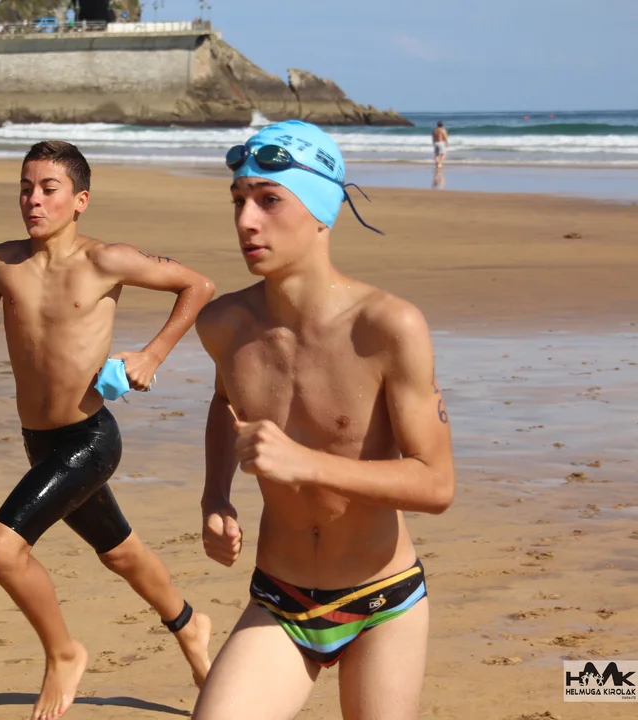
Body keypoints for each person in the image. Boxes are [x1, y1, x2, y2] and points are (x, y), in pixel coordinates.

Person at [191, 121, 455, 720]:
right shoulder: (223, 325)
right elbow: (224, 402)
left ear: (320, 211)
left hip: (381, 599)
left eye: (269, 200)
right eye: (238, 201)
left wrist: (305, 463)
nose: (245, 221)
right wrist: (215, 496)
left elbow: (436, 484)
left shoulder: (388, 327)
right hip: (279, 596)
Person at [0, 140, 215, 720]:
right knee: (121, 554)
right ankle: (190, 624)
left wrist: (152, 354)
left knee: (0, 546)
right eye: (26, 188)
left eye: (49, 189)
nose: (34, 200)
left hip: (90, 439)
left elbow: (198, 286)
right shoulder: (0, 261)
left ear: (80, 200)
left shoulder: (106, 260)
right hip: (40, 442)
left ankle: (64, 653)